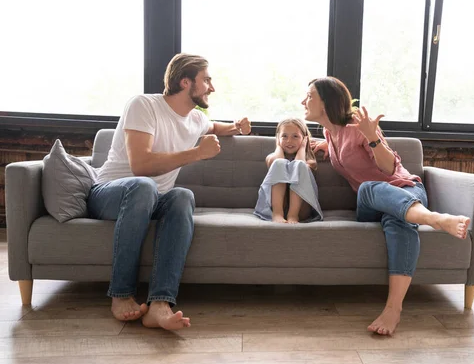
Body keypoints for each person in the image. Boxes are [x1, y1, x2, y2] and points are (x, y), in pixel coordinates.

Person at [88, 53, 251, 330]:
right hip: (110, 194)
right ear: (185, 82)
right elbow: (141, 165)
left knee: (182, 196)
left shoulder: (196, 119)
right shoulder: (144, 105)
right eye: (207, 80)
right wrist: (197, 153)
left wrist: (237, 127)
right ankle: (121, 293)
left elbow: (215, 126)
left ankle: (160, 303)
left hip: (153, 200)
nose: (212, 87)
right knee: (143, 185)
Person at [306, 77, 470, 336]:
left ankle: (393, 309)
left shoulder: (360, 127)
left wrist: (372, 138)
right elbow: (345, 148)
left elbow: (389, 168)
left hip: (406, 190)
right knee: (369, 187)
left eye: (310, 96)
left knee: (399, 220)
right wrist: (327, 146)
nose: (304, 101)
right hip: (370, 201)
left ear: (326, 102)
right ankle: (435, 220)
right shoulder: (330, 132)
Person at [254, 118, 323, 224]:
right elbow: (277, 161)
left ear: (304, 139)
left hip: (302, 211)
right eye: (284, 136)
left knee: (299, 165)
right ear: (278, 138)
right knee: (279, 163)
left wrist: (302, 148)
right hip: (278, 207)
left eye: (295, 136)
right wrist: (278, 146)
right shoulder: (272, 158)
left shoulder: (309, 162)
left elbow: (300, 164)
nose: (289, 141)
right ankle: (277, 213)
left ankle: (293, 215)